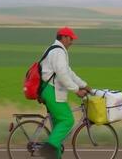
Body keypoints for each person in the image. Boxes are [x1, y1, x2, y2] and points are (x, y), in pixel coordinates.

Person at [39, 26, 91, 159]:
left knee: (58, 128)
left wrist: (84, 85)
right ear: (63, 37)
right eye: (70, 38)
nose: (72, 42)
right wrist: (76, 90)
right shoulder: (58, 52)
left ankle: (54, 154)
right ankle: (48, 147)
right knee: (67, 120)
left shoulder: (55, 50)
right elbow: (62, 75)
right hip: (52, 91)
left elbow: (69, 73)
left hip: (50, 90)